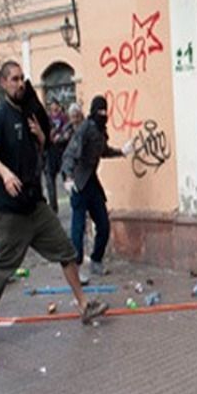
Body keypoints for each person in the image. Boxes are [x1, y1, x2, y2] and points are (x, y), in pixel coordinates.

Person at [0, 62, 108, 347]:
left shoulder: (28, 112)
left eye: (22, 78)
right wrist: (6, 173)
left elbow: (41, 150)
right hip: (10, 211)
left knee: (66, 251)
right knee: (1, 270)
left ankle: (84, 306)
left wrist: (42, 137)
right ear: (3, 83)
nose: (19, 83)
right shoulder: (0, 115)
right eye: (13, 79)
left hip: (35, 204)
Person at [60, 95, 130, 283]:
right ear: (92, 111)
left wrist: (121, 152)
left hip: (91, 183)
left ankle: (96, 261)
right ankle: (76, 268)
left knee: (104, 225)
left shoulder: (99, 131)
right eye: (99, 111)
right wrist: (67, 177)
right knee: (78, 228)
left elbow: (103, 151)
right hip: (79, 184)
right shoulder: (85, 129)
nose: (102, 114)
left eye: (104, 111)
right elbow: (69, 154)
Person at [44, 99, 68, 213]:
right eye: (52, 107)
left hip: (62, 153)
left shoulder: (64, 118)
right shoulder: (46, 120)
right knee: (50, 184)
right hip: (50, 154)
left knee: (67, 180)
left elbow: (68, 133)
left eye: (56, 107)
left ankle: (74, 201)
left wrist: (61, 137)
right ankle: (54, 209)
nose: (54, 109)